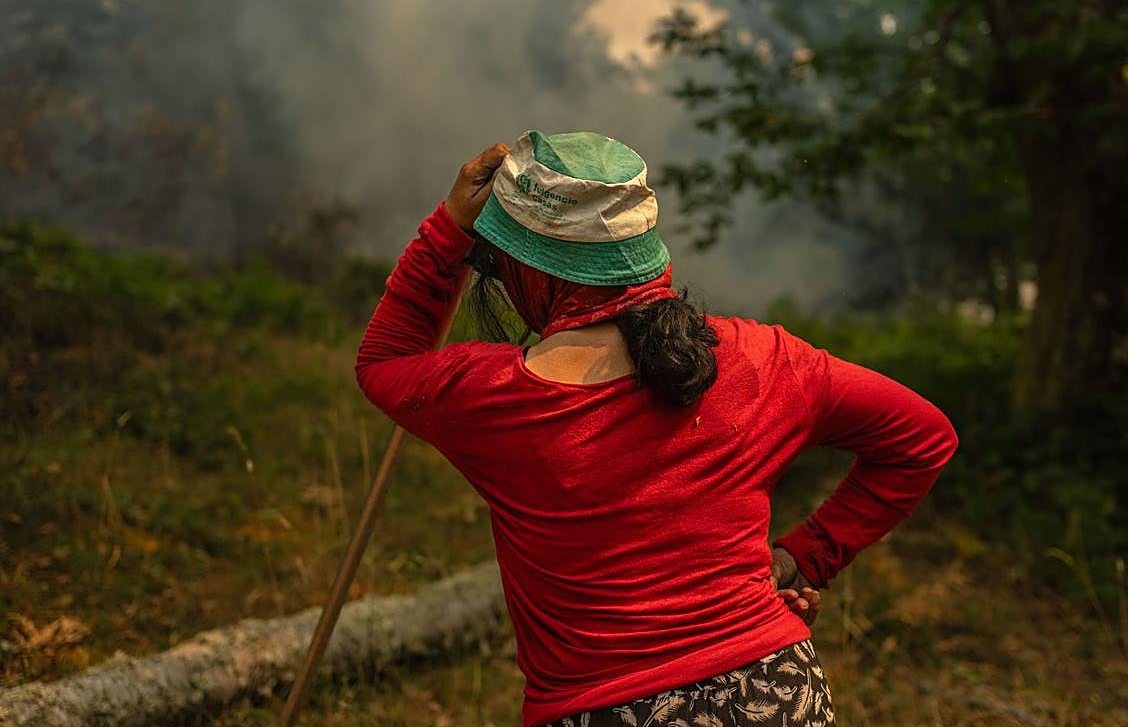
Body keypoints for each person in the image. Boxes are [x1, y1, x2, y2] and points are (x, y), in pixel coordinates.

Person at [355, 131, 958, 727]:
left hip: (604, 711)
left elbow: (384, 359)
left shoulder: (490, 395)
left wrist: (449, 227)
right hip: (777, 692)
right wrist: (803, 558)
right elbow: (923, 438)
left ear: (533, 271)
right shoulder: (763, 361)